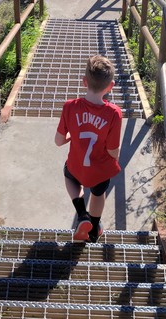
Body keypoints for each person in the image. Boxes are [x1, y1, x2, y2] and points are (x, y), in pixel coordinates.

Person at [55, 55, 122, 242]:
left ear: (84, 82)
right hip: (99, 169)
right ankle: (94, 227)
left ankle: (81, 214)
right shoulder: (114, 113)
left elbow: (59, 141)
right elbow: (112, 150)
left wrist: (71, 136)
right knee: (98, 194)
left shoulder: (69, 107)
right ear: (111, 86)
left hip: (77, 165)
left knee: (69, 175)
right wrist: (115, 159)